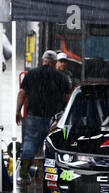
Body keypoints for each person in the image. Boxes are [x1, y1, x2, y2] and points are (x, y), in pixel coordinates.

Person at [16, 50, 71, 182]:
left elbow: (22, 92)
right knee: (53, 145)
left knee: (30, 144)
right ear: (54, 62)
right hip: (54, 118)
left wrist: (18, 111)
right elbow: (69, 97)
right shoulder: (61, 77)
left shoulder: (31, 74)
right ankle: (51, 176)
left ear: (42, 60)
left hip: (34, 115)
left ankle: (23, 172)